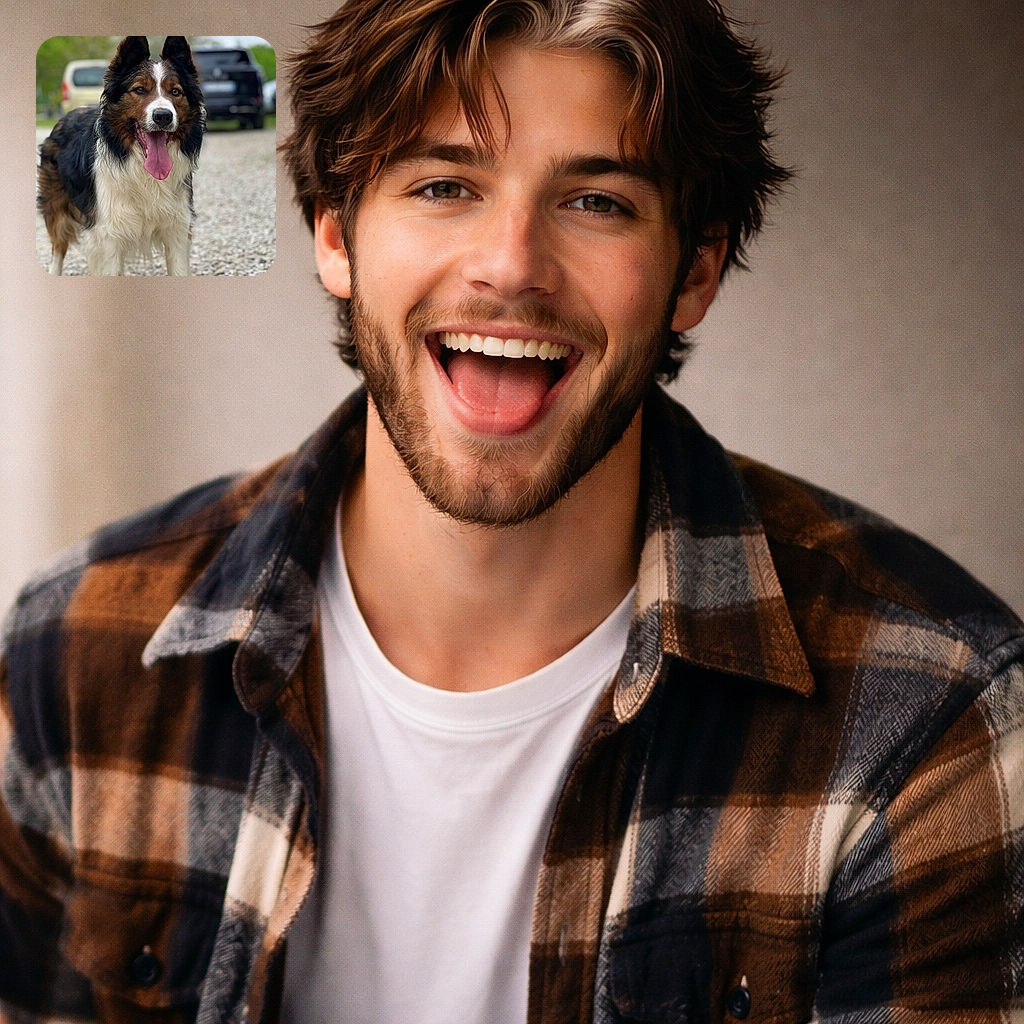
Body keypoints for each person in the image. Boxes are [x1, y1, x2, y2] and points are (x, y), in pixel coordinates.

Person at [2, 0, 1021, 1020]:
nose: (510, 264)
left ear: (696, 270)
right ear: (334, 237)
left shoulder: (931, 714)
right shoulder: (71, 651)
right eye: (443, 186)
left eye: (598, 203)